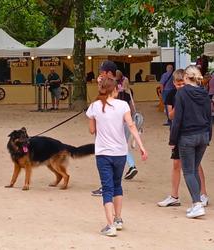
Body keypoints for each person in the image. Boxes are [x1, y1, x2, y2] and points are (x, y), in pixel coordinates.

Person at [86, 76, 147, 236]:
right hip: (120, 152)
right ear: (115, 90)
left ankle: (110, 224)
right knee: (117, 185)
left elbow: (92, 130)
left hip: (103, 152)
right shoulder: (123, 105)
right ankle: (118, 218)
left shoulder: (94, 106)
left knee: (107, 187)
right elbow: (131, 125)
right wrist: (141, 146)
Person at [158, 69, 209, 207]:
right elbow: (171, 116)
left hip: (186, 135)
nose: (180, 86)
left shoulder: (188, 94)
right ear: (174, 83)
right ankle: (175, 196)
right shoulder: (174, 95)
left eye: (182, 83)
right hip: (185, 133)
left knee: (193, 167)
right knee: (178, 165)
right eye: (178, 84)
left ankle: (201, 197)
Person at [91, 63, 139, 197]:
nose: (100, 75)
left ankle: (108, 186)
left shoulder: (112, 86)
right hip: (121, 122)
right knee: (120, 147)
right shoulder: (120, 85)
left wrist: (99, 87)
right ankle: (128, 169)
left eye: (101, 73)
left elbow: (102, 102)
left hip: (114, 124)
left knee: (110, 153)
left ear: (107, 73)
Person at [169, 65, 212, 218]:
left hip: (187, 136)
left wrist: (172, 140)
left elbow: (177, 119)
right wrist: (209, 136)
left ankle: (197, 204)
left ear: (186, 77)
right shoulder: (204, 93)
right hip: (203, 134)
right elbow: (208, 115)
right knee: (194, 169)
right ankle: (198, 200)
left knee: (188, 171)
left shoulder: (182, 93)